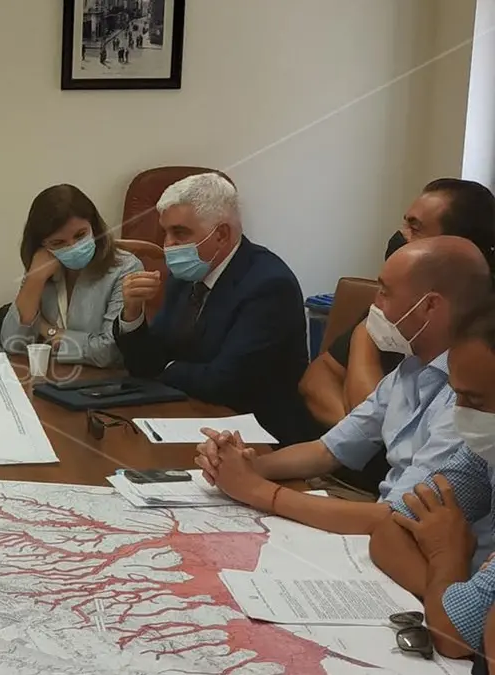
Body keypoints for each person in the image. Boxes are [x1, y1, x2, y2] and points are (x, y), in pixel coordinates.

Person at [194, 237, 491, 538]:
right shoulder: (411, 367)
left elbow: (397, 519)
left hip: (410, 542)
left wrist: (257, 490)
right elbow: (328, 450)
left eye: (385, 292)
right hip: (385, 537)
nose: (375, 305)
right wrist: (246, 465)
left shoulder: (474, 399)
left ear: (429, 305)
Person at [114, 172, 314, 445]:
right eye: (165, 233)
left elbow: (225, 383)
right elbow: (146, 360)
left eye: (180, 233)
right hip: (190, 417)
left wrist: (164, 367)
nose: (168, 244)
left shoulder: (269, 285)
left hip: (256, 436)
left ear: (221, 234)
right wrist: (132, 313)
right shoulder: (186, 276)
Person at [301, 179, 495, 431]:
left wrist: (364, 338)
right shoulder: (400, 299)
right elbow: (317, 378)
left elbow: (378, 418)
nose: (401, 236)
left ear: (456, 246)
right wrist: (353, 437)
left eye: (415, 228)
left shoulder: (480, 333)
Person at [366, 294, 495, 661]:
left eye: (475, 401)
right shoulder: (484, 452)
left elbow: (453, 640)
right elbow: (390, 532)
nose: (460, 414)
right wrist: (451, 601)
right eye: (457, 397)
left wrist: (445, 558)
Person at [0, 184, 142, 366]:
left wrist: (48, 331)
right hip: (51, 377)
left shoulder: (126, 268)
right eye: (58, 243)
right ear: (43, 245)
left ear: (94, 227)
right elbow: (12, 344)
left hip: (103, 379)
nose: (73, 246)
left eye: (80, 235)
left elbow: (110, 351)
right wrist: (34, 279)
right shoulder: (42, 267)